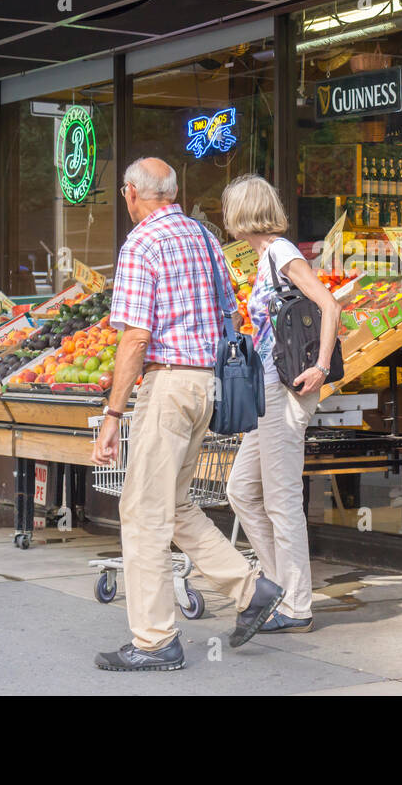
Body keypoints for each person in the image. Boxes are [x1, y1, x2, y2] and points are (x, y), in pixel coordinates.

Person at [92, 158, 285, 672]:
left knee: (141, 514)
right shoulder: (204, 237)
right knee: (175, 505)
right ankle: (251, 590)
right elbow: (231, 307)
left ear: (132, 192)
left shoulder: (141, 243)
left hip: (170, 384)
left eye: (123, 192)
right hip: (209, 385)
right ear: (172, 192)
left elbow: (134, 336)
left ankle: (155, 642)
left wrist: (113, 412)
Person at [221, 174, 341, 634]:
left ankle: (296, 606)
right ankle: (278, 587)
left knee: (282, 500)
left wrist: (322, 365)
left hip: (287, 392)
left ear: (240, 214)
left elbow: (329, 305)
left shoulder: (280, 252)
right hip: (269, 392)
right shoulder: (265, 258)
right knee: (241, 490)